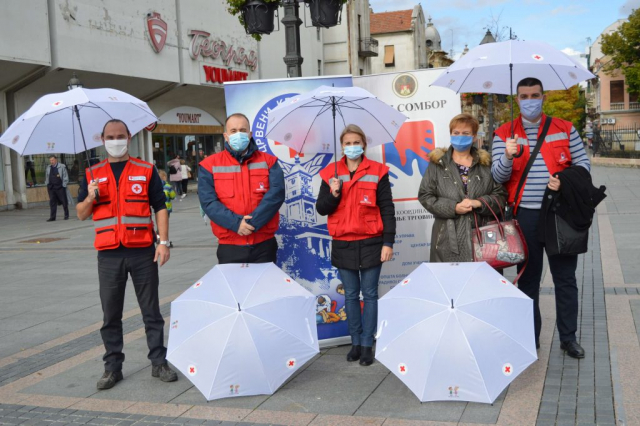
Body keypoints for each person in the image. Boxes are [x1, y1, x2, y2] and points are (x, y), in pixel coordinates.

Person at [491, 77, 591, 358]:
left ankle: (568, 338)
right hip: (525, 217)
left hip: (560, 214)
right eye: (524, 96)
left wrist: (565, 179)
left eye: (535, 95)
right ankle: (529, 336)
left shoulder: (564, 128)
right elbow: (498, 177)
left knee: (565, 278)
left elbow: (583, 165)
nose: (530, 100)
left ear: (543, 97)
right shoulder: (504, 133)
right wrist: (508, 156)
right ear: (517, 100)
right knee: (528, 279)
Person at [76, 119, 177, 390]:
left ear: (129, 137)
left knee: (151, 311)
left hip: (143, 251)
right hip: (108, 255)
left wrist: (163, 242)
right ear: (102, 138)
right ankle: (112, 367)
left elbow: (161, 206)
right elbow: (81, 214)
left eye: (120, 135)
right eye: (110, 136)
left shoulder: (145, 170)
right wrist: (90, 197)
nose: (116, 140)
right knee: (111, 314)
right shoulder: (91, 173)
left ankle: (159, 362)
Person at [316, 124, 396, 367]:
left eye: (356, 142)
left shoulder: (378, 171)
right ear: (342, 146)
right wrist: (333, 193)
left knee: (370, 294)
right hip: (343, 243)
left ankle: (367, 344)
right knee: (350, 295)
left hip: (371, 242)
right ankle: (355, 342)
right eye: (347, 143)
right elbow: (322, 209)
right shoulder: (330, 173)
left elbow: (387, 209)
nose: (352, 147)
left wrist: (388, 242)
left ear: (364, 144)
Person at [418, 113, 507, 262]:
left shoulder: (486, 163)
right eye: (456, 133)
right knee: (451, 282)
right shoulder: (438, 164)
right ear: (451, 134)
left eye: (465, 133)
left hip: (484, 236)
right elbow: (425, 196)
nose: (460, 136)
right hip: (447, 238)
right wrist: (453, 207)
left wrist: (478, 203)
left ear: (474, 137)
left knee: (482, 283)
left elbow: (501, 195)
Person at [199, 113, 285, 264]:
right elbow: (208, 202)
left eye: (242, 130)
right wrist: (236, 223)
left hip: (264, 245)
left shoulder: (269, 162)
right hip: (230, 245)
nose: (238, 134)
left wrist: (252, 224)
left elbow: (276, 195)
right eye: (233, 131)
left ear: (250, 134)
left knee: (264, 288)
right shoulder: (208, 165)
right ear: (226, 136)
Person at [45, 155, 70, 221]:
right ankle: (52, 217)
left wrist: (63, 185)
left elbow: (65, 176)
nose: (51, 162)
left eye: (52, 160)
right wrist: (47, 184)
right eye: (50, 160)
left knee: (64, 201)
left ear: (56, 160)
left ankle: (66, 215)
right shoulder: (48, 167)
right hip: (51, 188)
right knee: (52, 202)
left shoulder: (62, 166)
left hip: (60, 187)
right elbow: (47, 176)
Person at [158, 169, 176, 248]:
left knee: (160, 223)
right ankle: (165, 240)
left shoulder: (156, 186)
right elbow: (173, 196)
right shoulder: (168, 186)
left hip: (158, 208)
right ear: (164, 177)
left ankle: (159, 236)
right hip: (167, 208)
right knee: (165, 224)